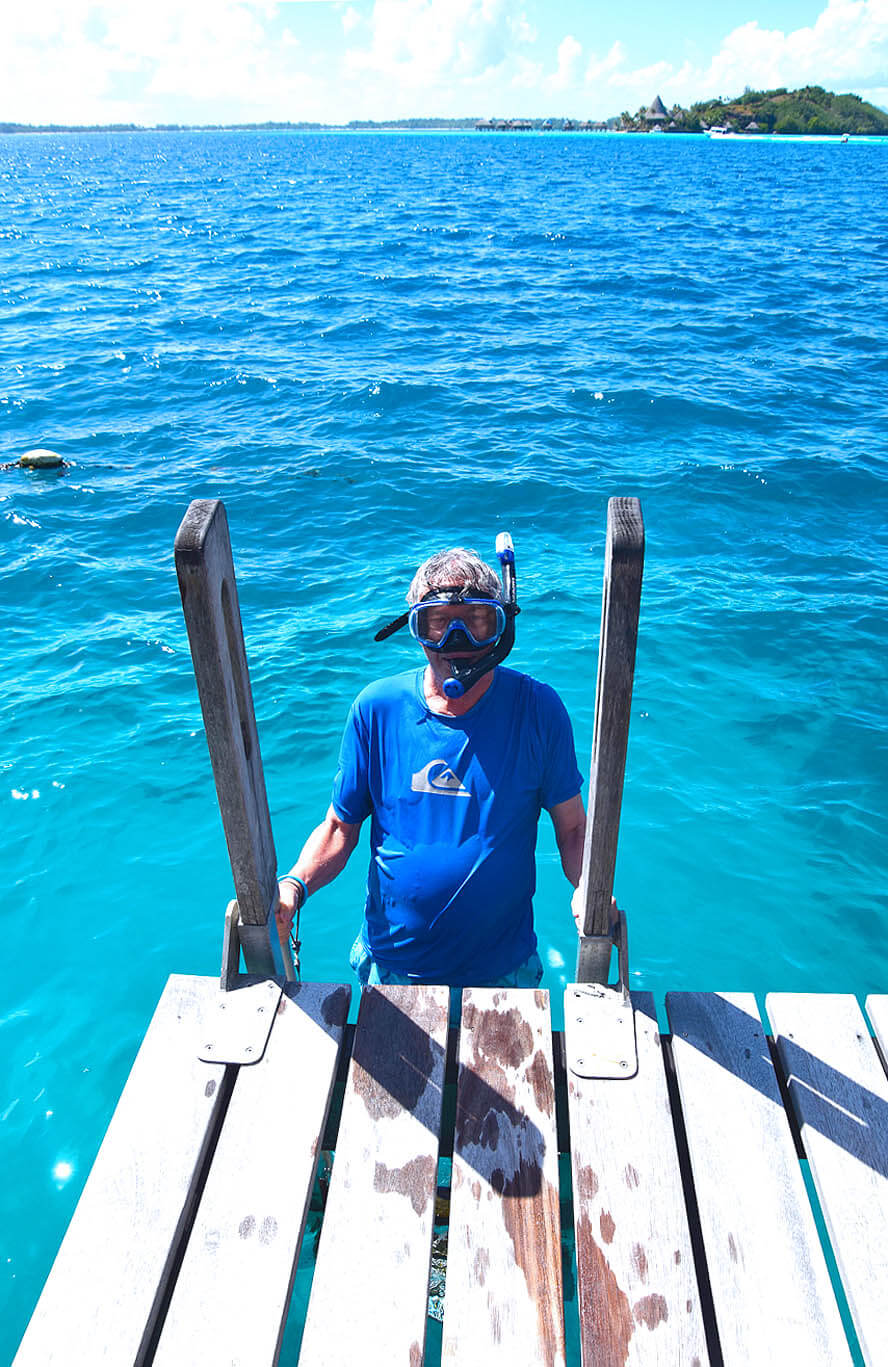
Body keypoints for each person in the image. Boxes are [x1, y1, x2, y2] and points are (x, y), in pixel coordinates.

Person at [275, 543, 586, 991]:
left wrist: (588, 890)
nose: (455, 642)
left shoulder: (538, 710)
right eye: (437, 623)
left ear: (500, 628)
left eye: (476, 622)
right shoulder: (376, 709)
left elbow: (573, 830)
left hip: (503, 973)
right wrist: (293, 887)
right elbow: (340, 828)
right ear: (415, 628)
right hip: (392, 967)